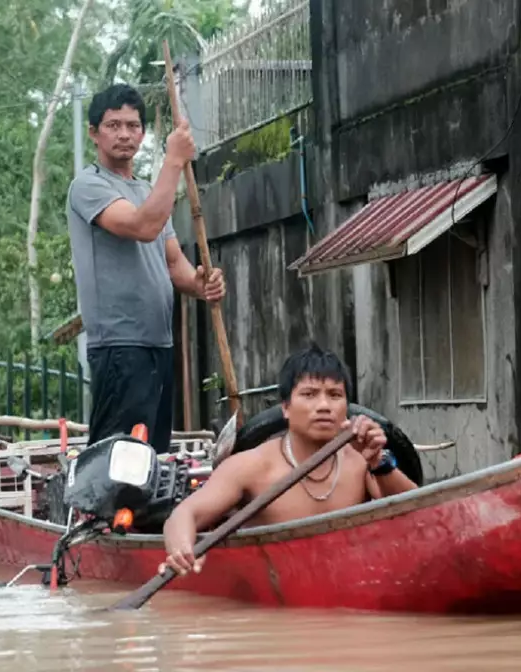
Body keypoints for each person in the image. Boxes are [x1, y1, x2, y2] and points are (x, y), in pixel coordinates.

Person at [160, 345, 419, 576]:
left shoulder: (360, 461)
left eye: (335, 395)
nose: (324, 405)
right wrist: (182, 550)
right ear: (285, 407)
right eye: (309, 394)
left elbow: (421, 517)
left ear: (347, 407)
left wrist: (379, 461)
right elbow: (184, 515)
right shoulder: (252, 466)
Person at [66, 83, 225, 455]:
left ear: (142, 132)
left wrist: (202, 283)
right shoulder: (87, 186)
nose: (125, 134)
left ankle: (150, 516)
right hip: (120, 345)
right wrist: (173, 162)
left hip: (158, 343)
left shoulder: (147, 191)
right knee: (118, 460)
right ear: (94, 133)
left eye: (133, 125)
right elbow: (142, 226)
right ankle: (105, 516)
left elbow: (173, 264)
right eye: (113, 125)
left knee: (152, 456)